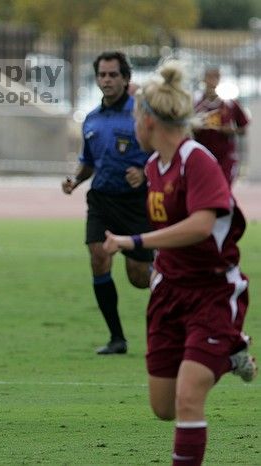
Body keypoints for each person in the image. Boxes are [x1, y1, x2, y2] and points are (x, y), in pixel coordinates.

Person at [103, 61, 257, 466]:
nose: (133, 123)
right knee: (164, 407)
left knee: (189, 400)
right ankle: (232, 350)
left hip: (211, 292)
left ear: (150, 121)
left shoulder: (197, 160)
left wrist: (135, 241)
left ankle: (224, 344)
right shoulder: (154, 167)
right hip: (168, 293)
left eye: (136, 115)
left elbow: (201, 226)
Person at [61, 51, 153, 355]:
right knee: (98, 255)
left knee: (140, 278)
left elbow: (165, 153)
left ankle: (177, 314)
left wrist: (144, 172)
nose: (107, 80)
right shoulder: (92, 119)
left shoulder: (143, 114)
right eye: (102, 75)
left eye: (113, 75)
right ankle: (117, 338)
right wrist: (75, 180)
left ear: (126, 79)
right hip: (101, 198)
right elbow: (89, 161)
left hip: (136, 203)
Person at [192, 66, 250, 186]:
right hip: (201, 157)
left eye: (216, 76)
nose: (213, 80)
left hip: (225, 158)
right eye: (209, 76)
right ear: (203, 79)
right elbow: (183, 127)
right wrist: (194, 128)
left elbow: (243, 129)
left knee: (224, 190)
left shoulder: (229, 103)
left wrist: (232, 130)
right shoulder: (195, 103)